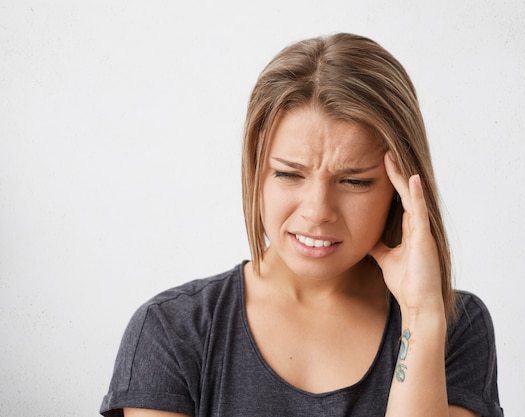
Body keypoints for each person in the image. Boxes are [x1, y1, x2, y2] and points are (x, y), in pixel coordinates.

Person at [100, 33, 503, 417]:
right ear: (256, 170)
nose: (317, 210)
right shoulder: (172, 330)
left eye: (354, 181)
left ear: (399, 191)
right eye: (289, 174)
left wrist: (419, 315)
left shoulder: (453, 326)